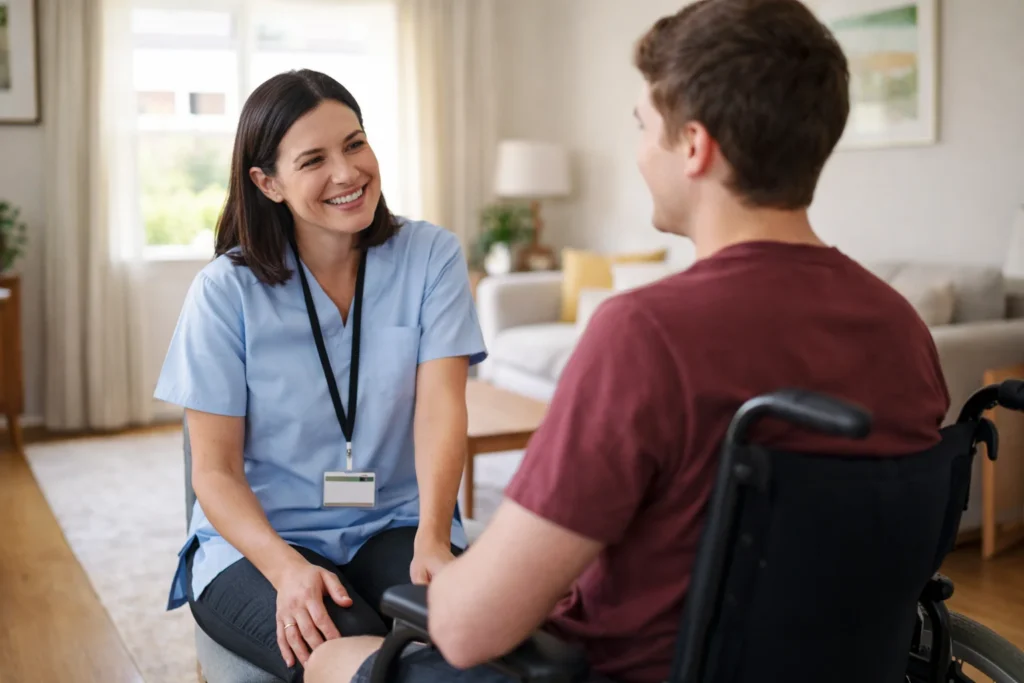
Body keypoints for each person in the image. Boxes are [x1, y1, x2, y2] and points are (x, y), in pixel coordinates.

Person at [301, 1, 952, 682]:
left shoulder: (646, 334)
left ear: (695, 147)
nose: (640, 152)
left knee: (335, 658)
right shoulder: (902, 327)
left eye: (644, 126)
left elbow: (468, 629)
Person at [154, 69, 486, 682]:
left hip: (395, 520)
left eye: (354, 143)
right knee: (361, 649)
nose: (347, 172)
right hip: (263, 539)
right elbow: (215, 471)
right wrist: (285, 570)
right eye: (314, 160)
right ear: (268, 182)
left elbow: (441, 410)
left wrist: (435, 538)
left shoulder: (431, 256)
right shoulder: (225, 292)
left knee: (463, 641)